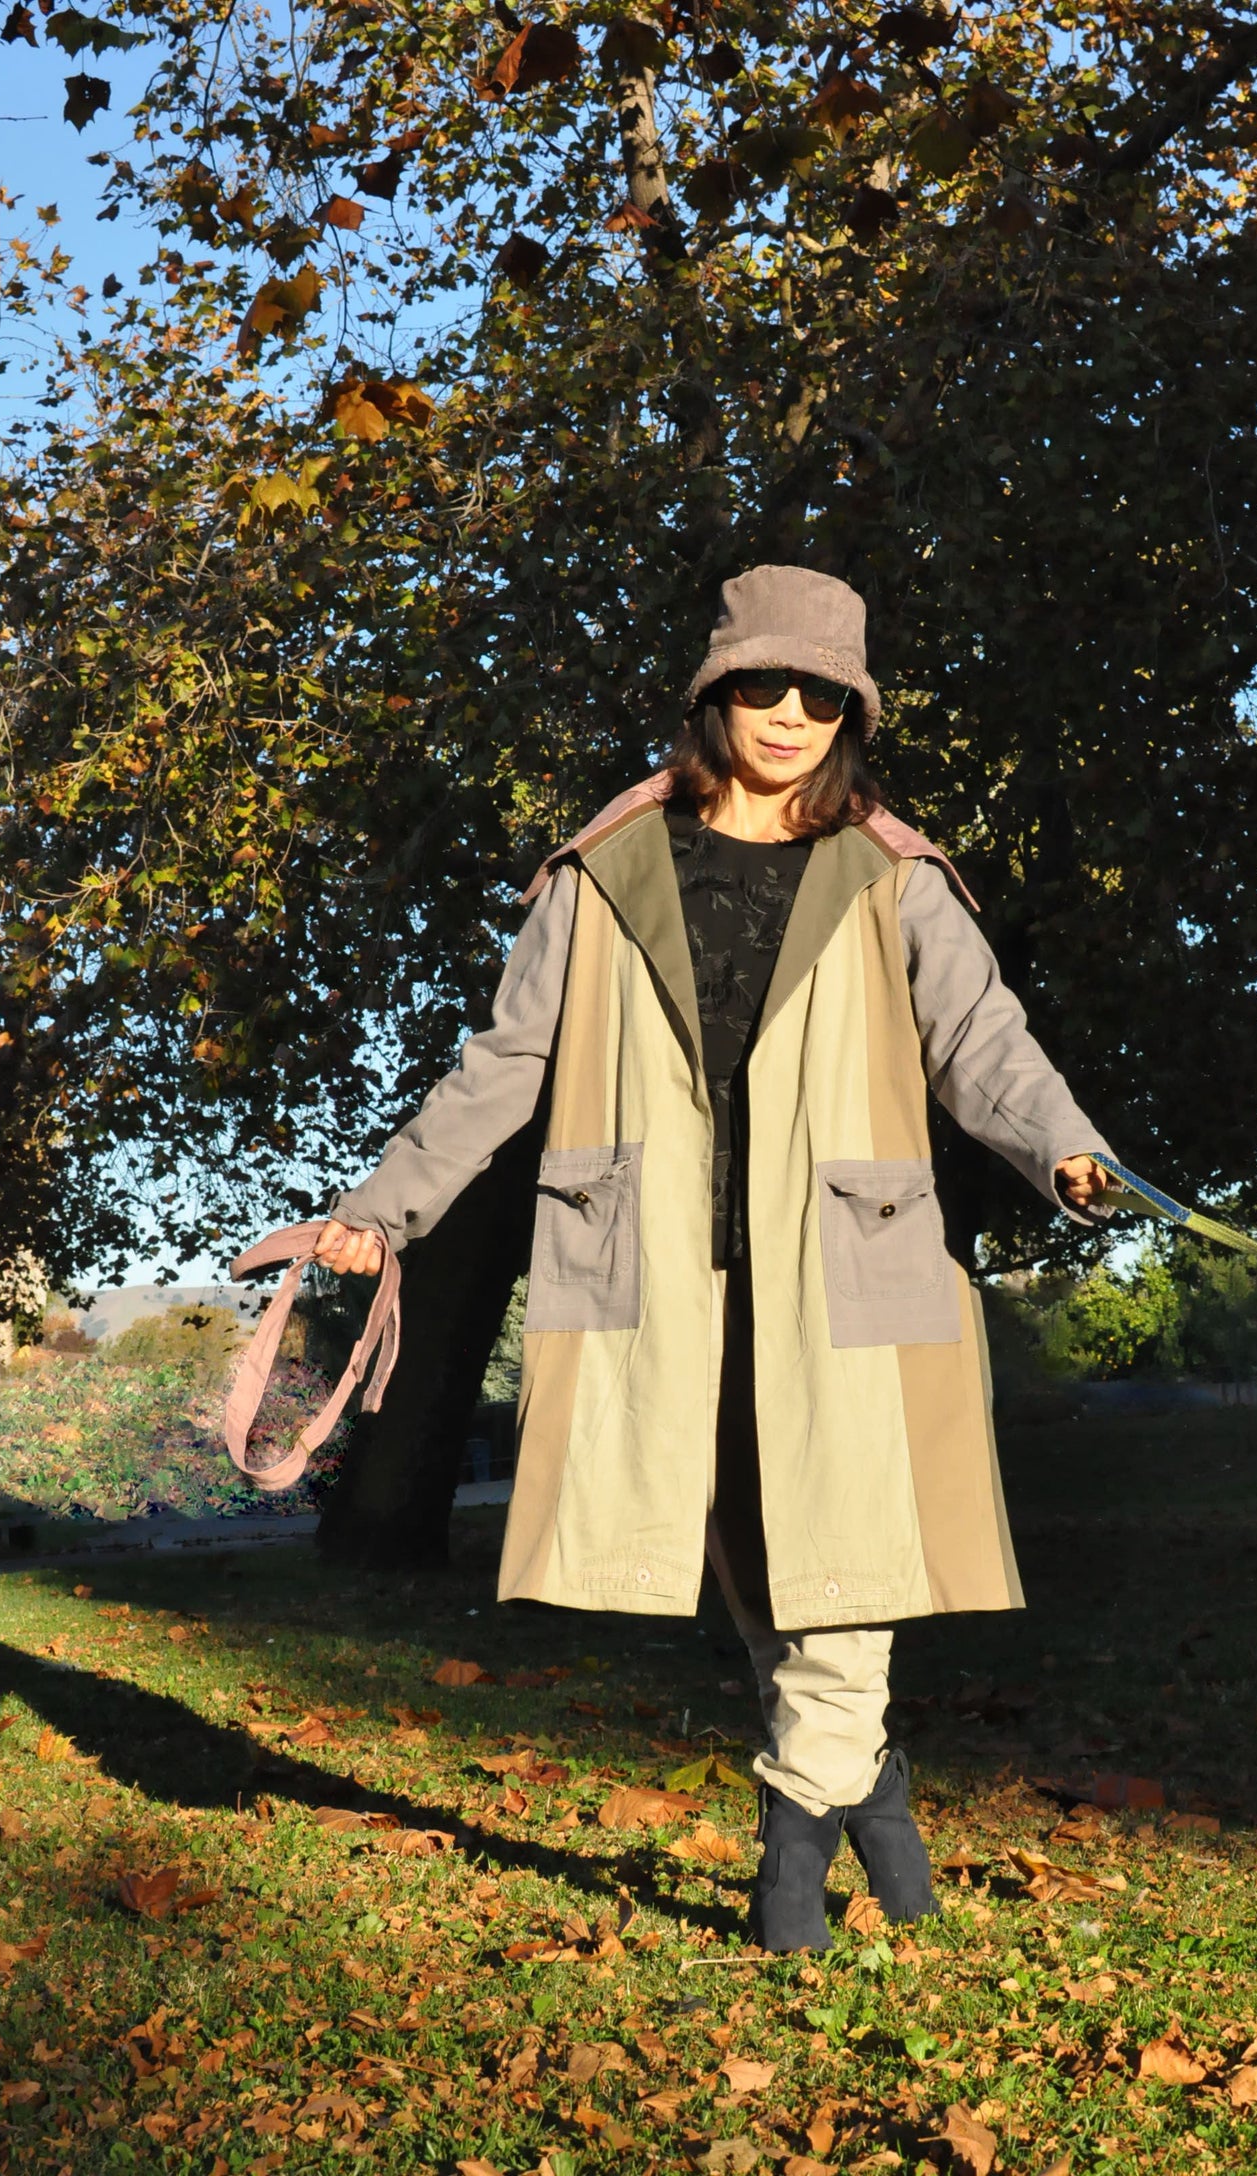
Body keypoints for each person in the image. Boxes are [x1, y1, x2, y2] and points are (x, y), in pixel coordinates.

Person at [316, 564, 1115, 1951]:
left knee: (846, 1548)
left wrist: (1060, 1149)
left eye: (823, 692)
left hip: (848, 1255)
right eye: (766, 684)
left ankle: (790, 1866)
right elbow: (508, 1060)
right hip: (653, 1261)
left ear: (849, 712)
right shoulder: (604, 865)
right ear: (714, 695)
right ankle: (870, 1791)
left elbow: (980, 1043)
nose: (792, 711)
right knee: (749, 1543)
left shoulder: (889, 868)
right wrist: (386, 1207)